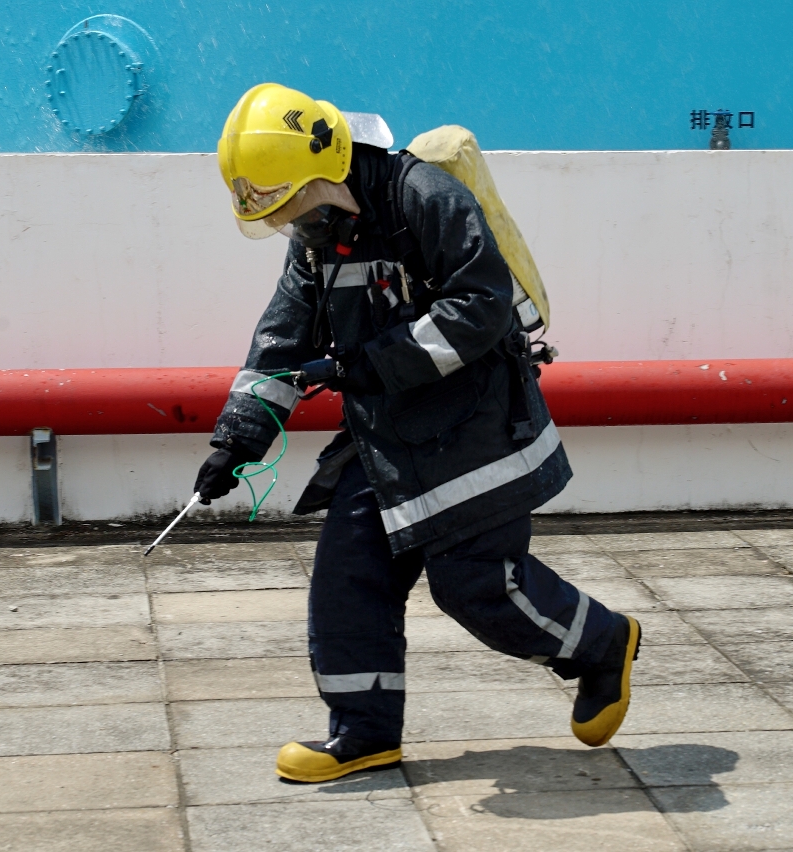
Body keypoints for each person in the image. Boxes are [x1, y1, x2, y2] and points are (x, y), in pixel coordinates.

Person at [197, 83, 641, 783]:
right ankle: (362, 734)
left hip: (476, 433)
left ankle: (601, 643)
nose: (292, 227)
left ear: (327, 168)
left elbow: (479, 308)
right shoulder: (317, 237)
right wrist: (237, 440)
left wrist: (364, 365)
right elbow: (282, 338)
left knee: (474, 587)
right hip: (385, 440)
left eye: (292, 208)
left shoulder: (425, 199)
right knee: (347, 581)